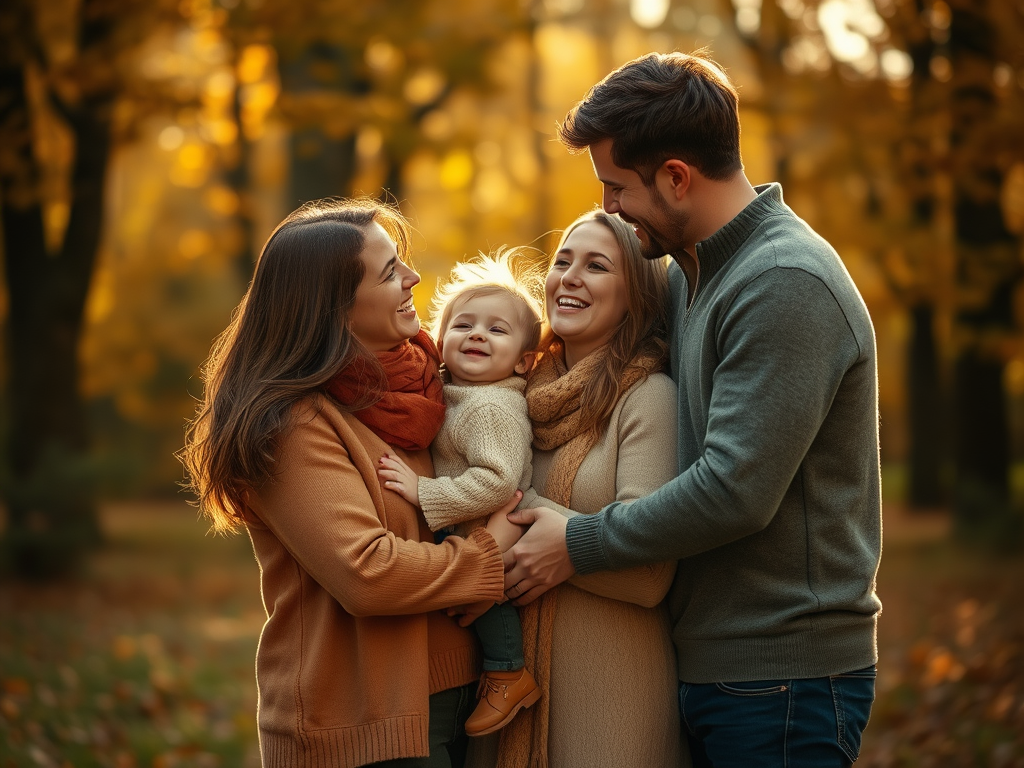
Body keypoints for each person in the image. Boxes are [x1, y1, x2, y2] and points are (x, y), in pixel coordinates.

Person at [503, 51, 883, 767]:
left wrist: (575, 542)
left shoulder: (783, 283)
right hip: (709, 663)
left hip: (783, 678)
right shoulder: (692, 273)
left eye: (617, 187)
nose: (609, 210)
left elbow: (734, 490)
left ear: (676, 176)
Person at [178, 197, 520, 768]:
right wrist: (490, 555)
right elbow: (367, 574)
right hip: (359, 721)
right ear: (333, 308)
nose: (413, 278)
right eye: (390, 273)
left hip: (461, 697)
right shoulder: (292, 422)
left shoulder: (426, 391)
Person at [482, 209, 686, 768]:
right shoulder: (510, 396)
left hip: (612, 698)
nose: (569, 277)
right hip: (504, 699)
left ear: (635, 298)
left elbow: (649, 576)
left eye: (596, 266)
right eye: (562, 262)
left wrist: (536, 522)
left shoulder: (648, 399)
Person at [377, 250, 545, 737]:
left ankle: (508, 671)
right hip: (465, 529)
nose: (476, 334)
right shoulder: (454, 392)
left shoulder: (491, 406)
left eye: (497, 330)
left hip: (486, 527)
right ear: (440, 339)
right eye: (463, 325)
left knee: (491, 604)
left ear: (524, 360)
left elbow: (497, 481)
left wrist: (422, 491)